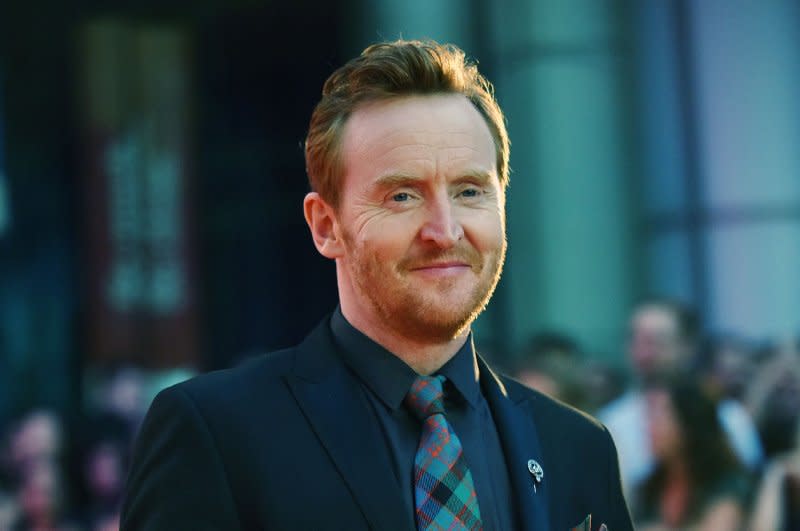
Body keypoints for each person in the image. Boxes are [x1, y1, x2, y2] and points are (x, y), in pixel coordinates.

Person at [121, 39, 633, 530]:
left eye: (470, 190)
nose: (446, 231)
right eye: (403, 196)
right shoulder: (216, 434)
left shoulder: (577, 447)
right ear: (326, 226)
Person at [597, 298, 762, 496]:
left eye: (655, 342)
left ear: (687, 347)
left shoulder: (729, 418)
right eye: (635, 340)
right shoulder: (610, 423)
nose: (643, 353)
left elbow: (747, 487)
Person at [634, 379, 751, 530]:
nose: (649, 427)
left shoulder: (727, 484)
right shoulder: (650, 487)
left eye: (659, 417)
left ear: (687, 426)